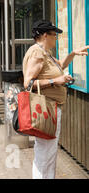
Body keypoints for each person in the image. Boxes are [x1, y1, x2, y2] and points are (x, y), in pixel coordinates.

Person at [22, 20, 89, 179]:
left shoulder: (46, 53)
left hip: (50, 109)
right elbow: (28, 84)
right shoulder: (37, 53)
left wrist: (73, 54)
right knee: (45, 153)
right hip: (46, 110)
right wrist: (55, 81)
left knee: (48, 153)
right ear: (45, 35)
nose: (56, 39)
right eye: (54, 35)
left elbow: (61, 66)